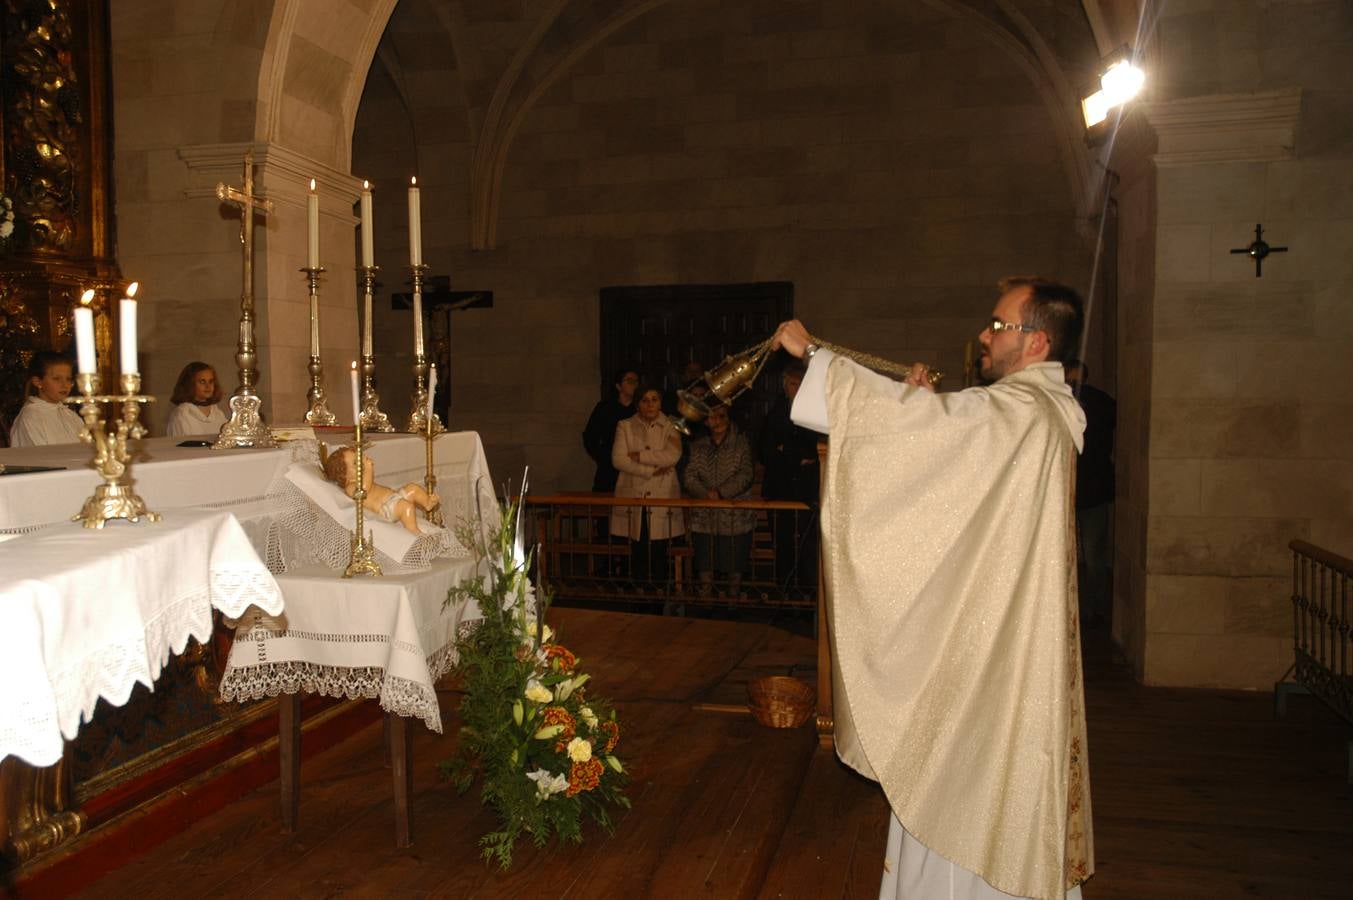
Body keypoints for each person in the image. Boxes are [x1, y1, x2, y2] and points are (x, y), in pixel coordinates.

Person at [771, 276, 1092, 900]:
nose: (984, 335)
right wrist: (919, 416)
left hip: (992, 655)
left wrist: (816, 357)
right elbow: (953, 468)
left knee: (964, 776)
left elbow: (946, 430)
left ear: (1037, 341)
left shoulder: (1024, 412)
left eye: (998, 325)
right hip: (1000, 632)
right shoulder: (1038, 411)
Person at [758, 362, 824, 594]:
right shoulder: (775, 414)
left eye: (800, 383)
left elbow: (816, 452)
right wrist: (796, 457)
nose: (796, 388)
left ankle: (808, 596)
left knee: (808, 546)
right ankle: (784, 594)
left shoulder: (817, 414)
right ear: (785, 387)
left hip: (808, 492)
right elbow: (766, 452)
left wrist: (787, 451)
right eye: (792, 384)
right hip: (780, 489)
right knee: (783, 546)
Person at [610, 384, 683, 588]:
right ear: (638, 404)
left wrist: (640, 456)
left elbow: (673, 455)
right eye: (645, 400)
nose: (650, 404)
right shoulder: (624, 425)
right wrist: (649, 470)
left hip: (662, 492)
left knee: (659, 549)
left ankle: (658, 595)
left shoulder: (671, 425)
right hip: (634, 491)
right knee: (637, 548)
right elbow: (618, 460)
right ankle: (638, 594)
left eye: (654, 399)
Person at [682, 402, 756, 597]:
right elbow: (689, 476)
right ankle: (706, 602)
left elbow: (746, 474)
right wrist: (706, 494)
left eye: (721, 416)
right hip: (705, 516)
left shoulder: (741, 443)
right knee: (705, 563)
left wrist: (722, 493)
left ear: (728, 418)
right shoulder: (698, 446)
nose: (717, 421)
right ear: (706, 421)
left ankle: (732, 604)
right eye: (712, 417)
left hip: (735, 516)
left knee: (735, 564)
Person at [1063, 359, 1116, 630]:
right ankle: (1090, 609)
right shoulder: (1103, 402)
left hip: (1077, 490)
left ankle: (1084, 609)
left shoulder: (1065, 401)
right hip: (1088, 490)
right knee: (1090, 556)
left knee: (1081, 556)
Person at [321, 444, 440, 535]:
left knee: (412, 488)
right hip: (386, 509)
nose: (360, 464)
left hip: (394, 499)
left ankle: (427, 503)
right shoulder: (350, 487)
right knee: (406, 507)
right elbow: (364, 491)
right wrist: (368, 469)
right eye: (355, 464)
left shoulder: (359, 478)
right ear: (344, 476)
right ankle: (414, 532)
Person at [9, 351, 83, 446]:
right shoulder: (31, 417)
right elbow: (39, 456)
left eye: (68, 379)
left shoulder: (71, 415)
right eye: (56, 379)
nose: (65, 385)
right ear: (38, 382)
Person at [582, 368, 638, 492]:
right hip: (609, 469)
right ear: (618, 386)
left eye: (636, 381)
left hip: (635, 468)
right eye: (630, 381)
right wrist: (604, 457)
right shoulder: (605, 408)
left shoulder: (640, 410)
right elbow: (590, 437)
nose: (634, 384)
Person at [165, 361, 228, 436]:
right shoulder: (181, 415)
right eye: (202, 382)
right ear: (190, 384)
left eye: (211, 381)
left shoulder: (218, 414)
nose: (208, 386)